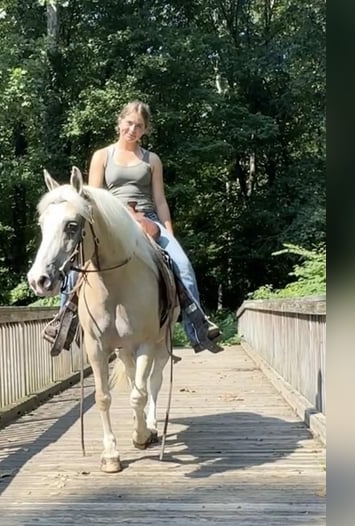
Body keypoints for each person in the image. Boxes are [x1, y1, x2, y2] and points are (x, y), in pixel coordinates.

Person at [44, 100, 222, 354]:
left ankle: (197, 329)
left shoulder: (152, 160)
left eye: (139, 126)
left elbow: (159, 199)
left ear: (145, 130)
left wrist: (169, 232)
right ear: (119, 123)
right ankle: (63, 322)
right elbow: (91, 196)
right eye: (129, 123)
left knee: (182, 265)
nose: (132, 129)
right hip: (112, 220)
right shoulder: (102, 156)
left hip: (148, 218)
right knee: (76, 266)